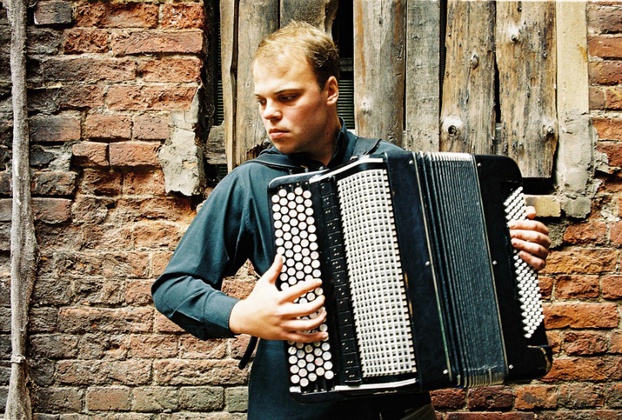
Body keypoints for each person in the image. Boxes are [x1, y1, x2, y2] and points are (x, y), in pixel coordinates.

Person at [152, 21, 551, 420]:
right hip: (295, 408)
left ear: (330, 91)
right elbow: (173, 287)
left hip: (402, 408)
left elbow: (441, 263)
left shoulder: (391, 163)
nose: (270, 113)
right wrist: (242, 315)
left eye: (287, 97)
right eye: (262, 101)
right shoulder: (249, 183)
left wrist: (508, 249)